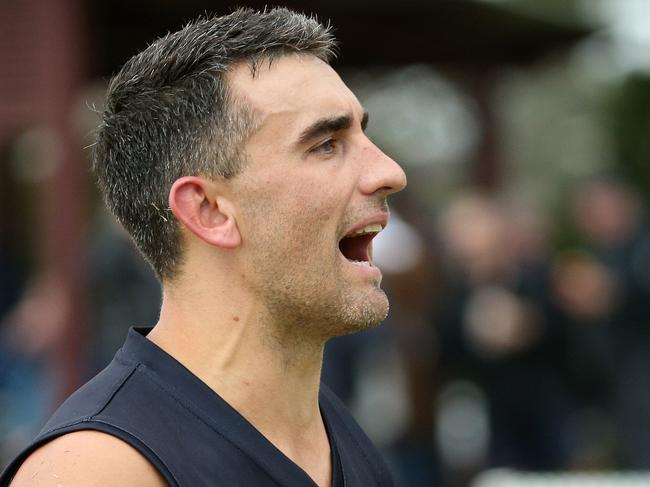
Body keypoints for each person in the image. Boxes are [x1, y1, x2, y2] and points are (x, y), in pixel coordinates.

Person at [1, 7, 406, 487]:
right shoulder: (96, 471)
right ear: (210, 211)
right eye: (325, 144)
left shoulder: (338, 436)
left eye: (364, 133)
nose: (390, 172)